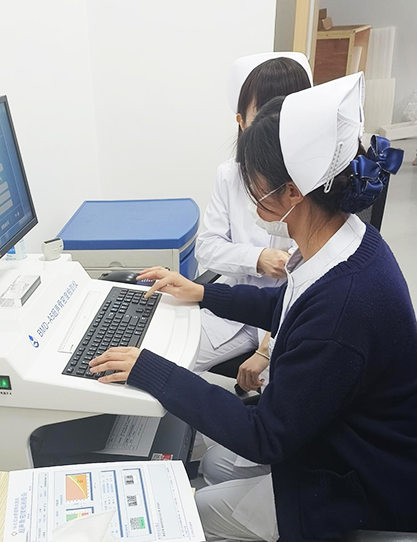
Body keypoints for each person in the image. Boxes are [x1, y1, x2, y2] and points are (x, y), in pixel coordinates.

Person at [89, 73, 416, 541]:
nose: (247, 191)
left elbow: (265, 435)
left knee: (190, 514)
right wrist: (204, 293)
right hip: (334, 433)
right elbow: (288, 304)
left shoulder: (343, 308)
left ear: (293, 192)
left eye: (253, 181)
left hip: (355, 482)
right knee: (217, 465)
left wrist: (152, 371)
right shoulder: (347, 239)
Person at [194, 52, 312, 379]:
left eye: (286, 113)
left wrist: (265, 349)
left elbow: (314, 282)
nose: (274, 127)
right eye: (265, 114)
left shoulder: (313, 184)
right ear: (242, 121)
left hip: (290, 319)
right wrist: (257, 258)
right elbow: (207, 248)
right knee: (162, 356)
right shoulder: (230, 175)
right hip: (235, 307)